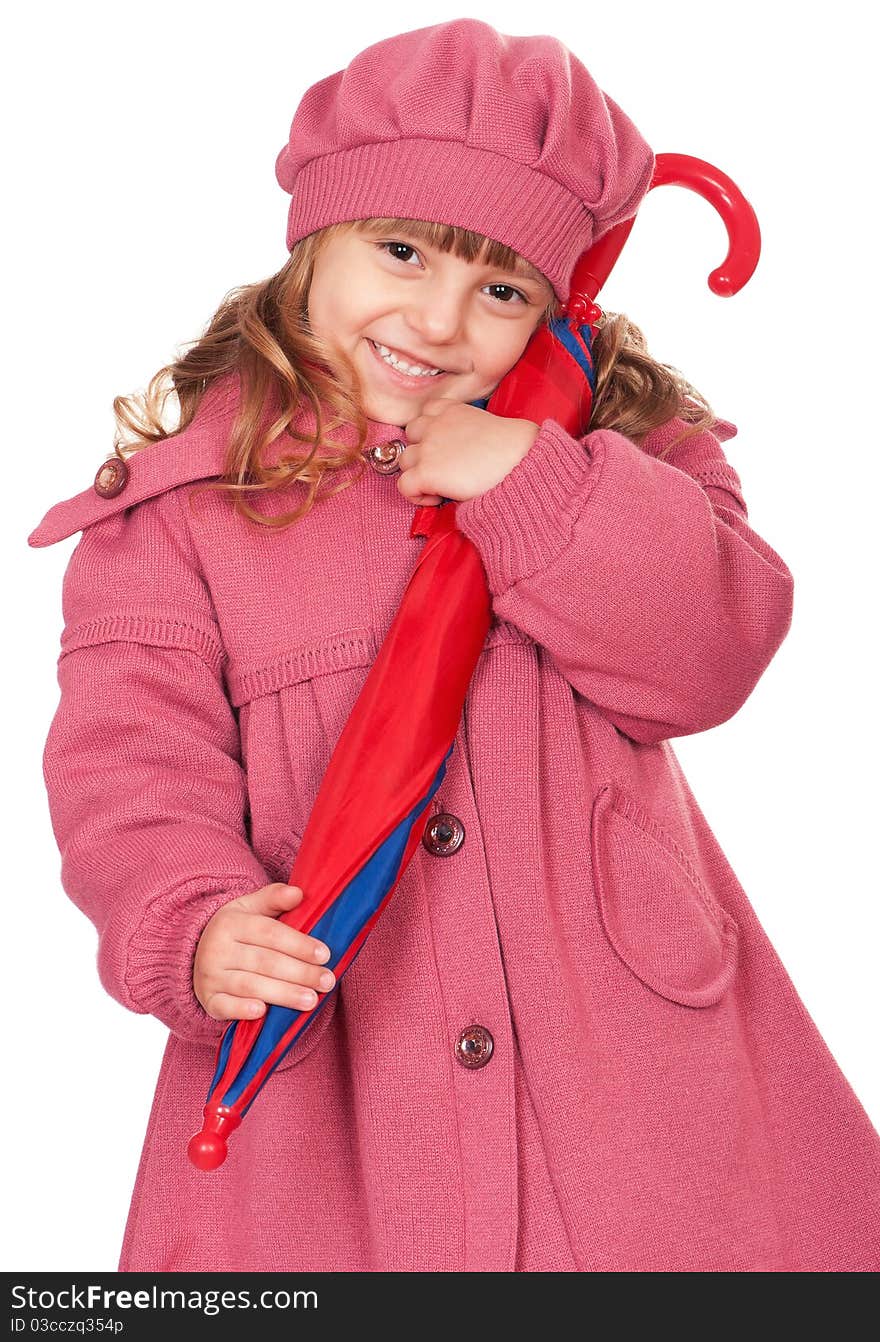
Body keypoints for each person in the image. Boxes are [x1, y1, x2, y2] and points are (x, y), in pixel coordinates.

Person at [29, 18, 880, 1273]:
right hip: (334, 1087)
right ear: (316, 240)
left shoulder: (622, 451)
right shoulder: (184, 509)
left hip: (630, 1080)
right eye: (402, 250)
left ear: (553, 303)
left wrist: (535, 482)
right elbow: (126, 762)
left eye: (500, 289)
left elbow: (712, 654)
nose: (437, 320)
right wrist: (189, 924)